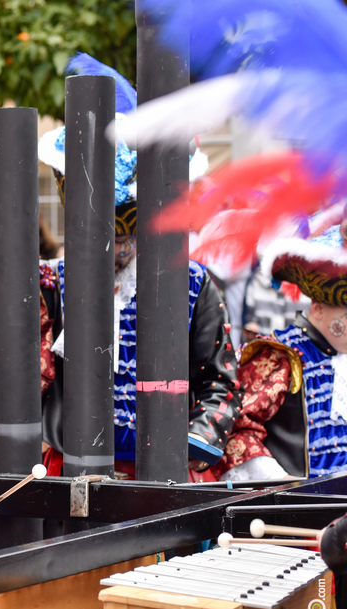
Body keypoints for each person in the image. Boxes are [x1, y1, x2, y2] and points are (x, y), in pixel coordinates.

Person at [36, 55, 239, 480]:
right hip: (71, 470)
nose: (119, 251)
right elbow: (31, 372)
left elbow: (219, 379)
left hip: (164, 468)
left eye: (129, 239)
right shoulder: (50, 282)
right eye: (109, 239)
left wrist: (196, 442)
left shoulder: (195, 283)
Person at [218, 223, 347, 480]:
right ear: (318, 308)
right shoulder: (280, 356)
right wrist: (281, 482)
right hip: (299, 509)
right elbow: (237, 429)